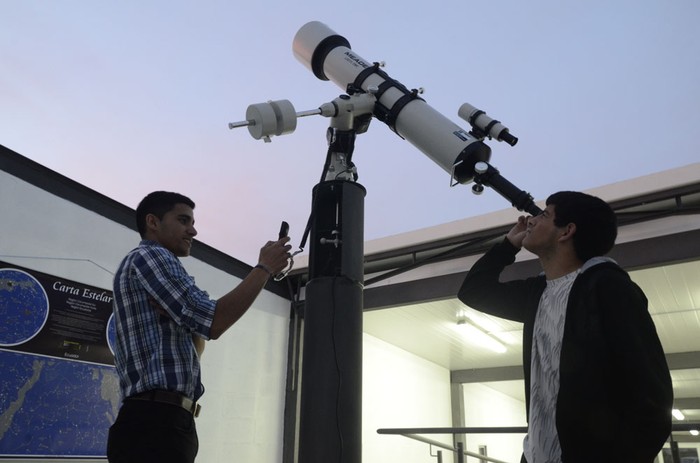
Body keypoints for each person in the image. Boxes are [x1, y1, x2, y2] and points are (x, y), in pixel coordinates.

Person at [458, 191, 673, 463]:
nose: (531, 221)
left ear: (567, 231)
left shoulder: (609, 288)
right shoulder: (537, 293)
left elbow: (653, 399)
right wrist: (507, 246)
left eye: (545, 215)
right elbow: (474, 291)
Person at [106, 191, 291, 463]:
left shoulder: (159, 264)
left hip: (163, 422)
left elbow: (201, 335)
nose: (193, 230)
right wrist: (264, 267)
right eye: (183, 220)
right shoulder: (151, 257)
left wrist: (191, 320)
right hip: (155, 424)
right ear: (153, 223)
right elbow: (214, 322)